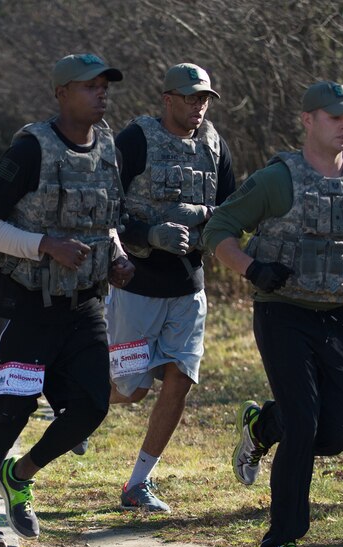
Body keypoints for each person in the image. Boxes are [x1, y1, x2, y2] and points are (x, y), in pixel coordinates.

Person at [203, 81, 343, 547]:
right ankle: (280, 542)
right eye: (335, 116)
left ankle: (262, 424)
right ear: (308, 120)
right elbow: (218, 229)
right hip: (281, 311)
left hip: (333, 316)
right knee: (305, 423)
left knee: (333, 435)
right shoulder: (276, 180)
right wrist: (251, 268)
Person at [0, 53, 134, 547]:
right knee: (13, 410)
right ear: (62, 94)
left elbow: (107, 220)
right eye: (90, 86)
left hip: (83, 304)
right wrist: (45, 245)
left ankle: (19, 475)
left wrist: (117, 257)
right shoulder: (31, 148)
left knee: (92, 406)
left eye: (105, 86)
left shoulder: (109, 148)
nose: (101, 94)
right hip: (26, 301)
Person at [108, 63, 236, 512]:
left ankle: (138, 483)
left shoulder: (215, 145)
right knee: (131, 389)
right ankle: (77, 407)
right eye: (189, 98)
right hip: (137, 287)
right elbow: (105, 210)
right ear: (167, 99)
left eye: (203, 99)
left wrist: (218, 237)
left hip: (188, 288)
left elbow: (229, 212)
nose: (198, 107)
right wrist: (147, 235)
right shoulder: (135, 141)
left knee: (179, 381)